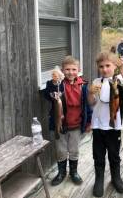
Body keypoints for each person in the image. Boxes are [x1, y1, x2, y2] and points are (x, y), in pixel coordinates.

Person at [87, 51, 123, 197]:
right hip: (98, 126)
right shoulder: (95, 82)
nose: (105, 69)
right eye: (101, 66)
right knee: (98, 155)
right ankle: (99, 180)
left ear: (114, 66)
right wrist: (89, 93)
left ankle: (116, 178)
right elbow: (92, 103)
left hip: (114, 126)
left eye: (108, 65)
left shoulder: (118, 79)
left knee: (114, 154)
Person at [44, 56, 92, 186]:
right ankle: (61, 173)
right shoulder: (58, 84)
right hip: (60, 125)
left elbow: (87, 105)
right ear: (62, 70)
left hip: (76, 125)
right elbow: (48, 94)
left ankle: (73, 172)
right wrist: (54, 83)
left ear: (79, 70)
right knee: (61, 150)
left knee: (74, 150)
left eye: (74, 69)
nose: (70, 72)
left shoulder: (83, 85)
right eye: (67, 69)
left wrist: (89, 122)